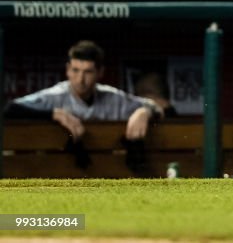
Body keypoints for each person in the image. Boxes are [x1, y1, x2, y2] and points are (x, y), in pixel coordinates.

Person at [4, 40, 163, 170]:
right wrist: (54, 114)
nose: (80, 79)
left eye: (88, 72)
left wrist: (144, 112)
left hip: (108, 173)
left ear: (100, 72)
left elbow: (158, 107)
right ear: (67, 70)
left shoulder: (112, 97)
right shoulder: (56, 96)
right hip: (58, 173)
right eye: (75, 70)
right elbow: (9, 109)